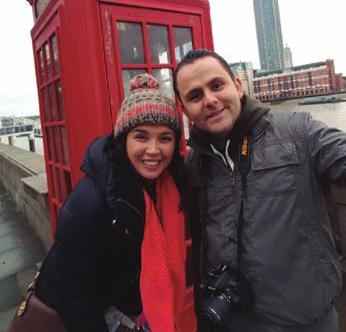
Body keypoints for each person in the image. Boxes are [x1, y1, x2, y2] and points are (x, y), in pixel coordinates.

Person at [173, 49, 346, 332]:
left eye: (217, 85)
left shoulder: (297, 132)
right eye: (195, 95)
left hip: (305, 318)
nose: (210, 100)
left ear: (238, 86)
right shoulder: (195, 162)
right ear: (185, 109)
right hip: (233, 319)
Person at [35, 73, 193, 332]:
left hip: (124, 308)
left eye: (165, 138)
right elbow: (74, 299)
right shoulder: (89, 203)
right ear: (123, 140)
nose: (153, 150)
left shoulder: (166, 188)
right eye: (141, 137)